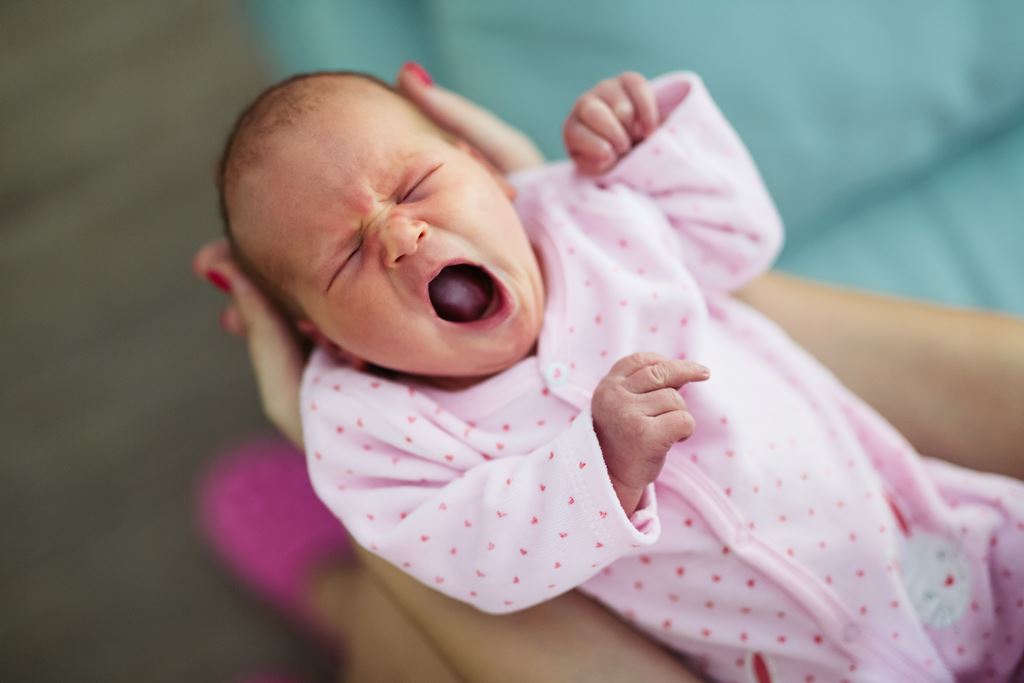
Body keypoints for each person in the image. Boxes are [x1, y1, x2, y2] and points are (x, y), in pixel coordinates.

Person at [195, 63, 1024, 682]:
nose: (400, 235)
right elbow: (471, 554)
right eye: (345, 258)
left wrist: (652, 143)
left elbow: (736, 239)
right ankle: (349, 612)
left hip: (953, 546)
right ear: (325, 335)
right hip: (798, 663)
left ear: (487, 170)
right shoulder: (374, 424)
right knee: (406, 607)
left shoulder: (591, 222)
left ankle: (346, 622)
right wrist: (598, 466)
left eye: (415, 185)